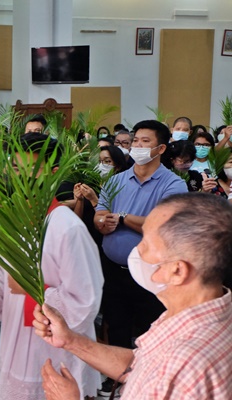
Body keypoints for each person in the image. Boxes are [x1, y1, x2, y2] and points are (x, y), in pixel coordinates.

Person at [34, 192, 232, 400]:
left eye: (145, 243)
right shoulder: (205, 313)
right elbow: (142, 362)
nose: (137, 250)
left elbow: (161, 370)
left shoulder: (180, 364)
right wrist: (71, 340)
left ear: (177, 271)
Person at [0, 133, 104, 399]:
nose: (20, 179)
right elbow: (1, 279)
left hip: (51, 348)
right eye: (15, 169)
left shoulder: (66, 227)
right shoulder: (12, 221)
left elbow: (85, 302)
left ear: (54, 173)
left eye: (30, 171)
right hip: (14, 340)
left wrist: (32, 289)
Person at [93, 120, 187, 397]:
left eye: (145, 142)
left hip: (151, 271)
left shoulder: (173, 184)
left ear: (160, 148)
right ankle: (117, 378)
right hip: (114, 268)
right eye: (135, 141)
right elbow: (99, 212)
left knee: (150, 326)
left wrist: (122, 218)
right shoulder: (116, 180)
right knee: (116, 323)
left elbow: (161, 225)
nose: (137, 146)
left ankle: (149, 379)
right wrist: (102, 223)